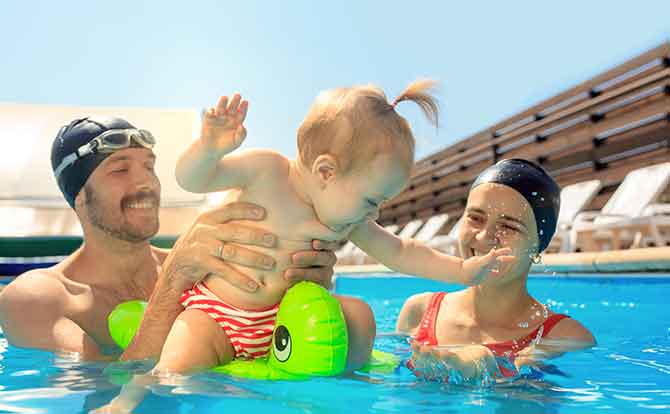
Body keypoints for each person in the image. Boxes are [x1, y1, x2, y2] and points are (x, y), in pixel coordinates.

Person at [0, 116, 344, 363]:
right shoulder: (37, 298)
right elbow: (110, 389)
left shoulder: (210, 266)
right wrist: (173, 280)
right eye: (120, 169)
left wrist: (306, 277)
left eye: (149, 166)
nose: (146, 182)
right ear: (79, 197)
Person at [396, 158, 596, 382]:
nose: (483, 237)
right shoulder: (419, 311)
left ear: (538, 246)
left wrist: (489, 374)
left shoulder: (565, 337)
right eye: (475, 218)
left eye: (509, 226)